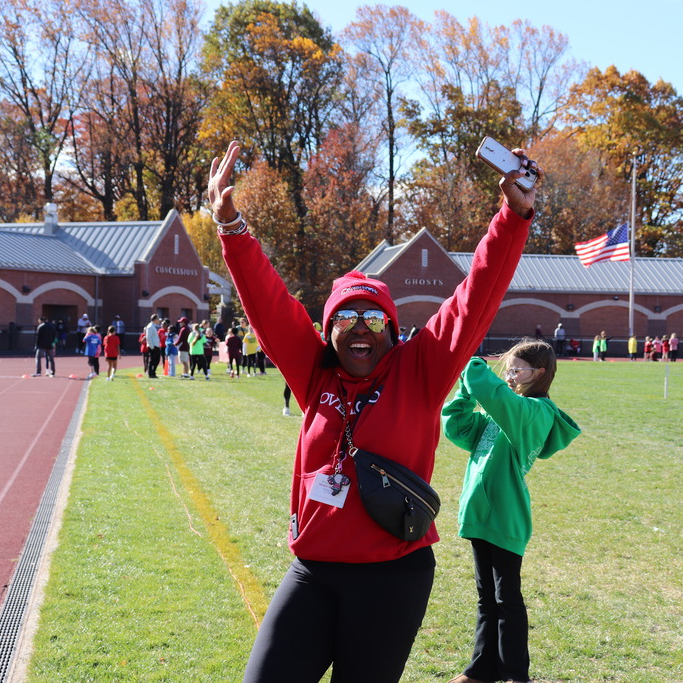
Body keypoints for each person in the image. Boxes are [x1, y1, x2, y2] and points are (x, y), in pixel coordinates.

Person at [209, 139, 541, 683]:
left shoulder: (421, 369)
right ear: (328, 328)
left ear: (391, 327)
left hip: (392, 576)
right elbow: (269, 306)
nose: (361, 327)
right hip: (314, 570)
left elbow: (474, 297)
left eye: (373, 317)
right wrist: (231, 229)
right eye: (346, 317)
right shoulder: (312, 372)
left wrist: (513, 215)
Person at [441, 339, 581, 683]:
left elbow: (500, 400)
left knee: (507, 600)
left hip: (506, 519)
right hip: (479, 515)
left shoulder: (536, 413)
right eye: (509, 369)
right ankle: (479, 671)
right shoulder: (503, 410)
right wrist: (465, 388)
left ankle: (517, 675)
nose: (511, 375)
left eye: (518, 369)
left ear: (540, 373)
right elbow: (456, 426)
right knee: (486, 598)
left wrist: (472, 366)